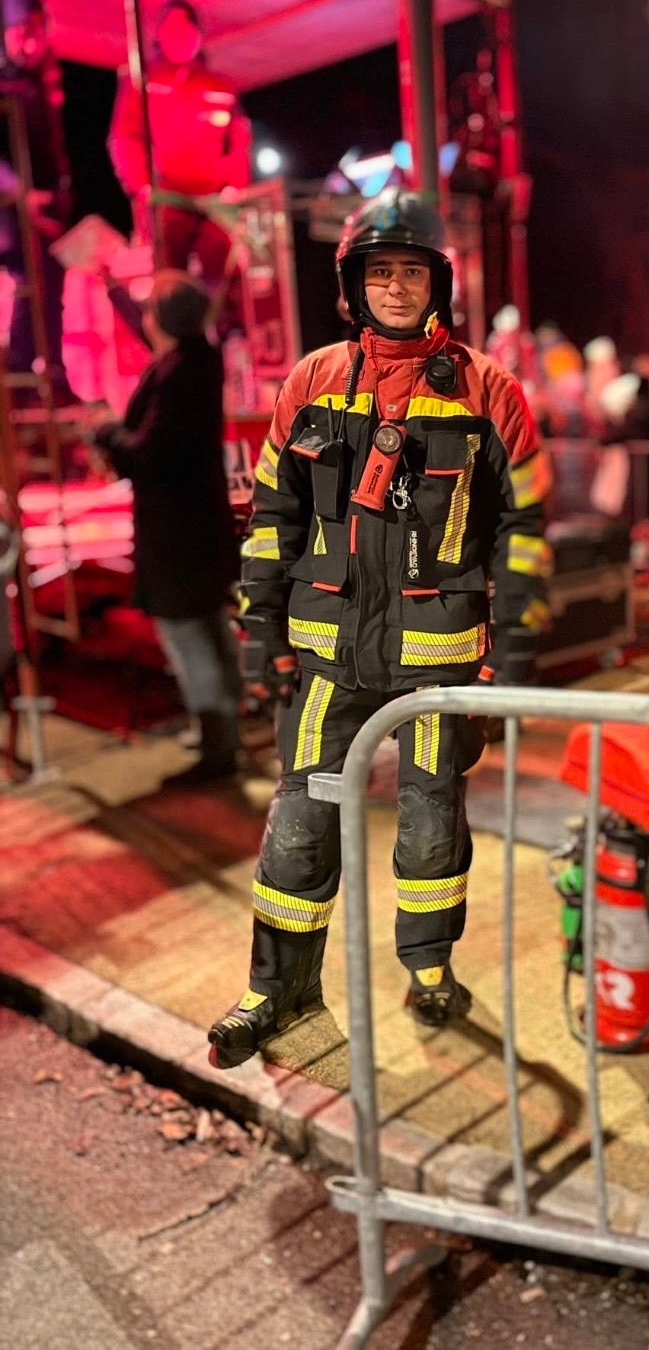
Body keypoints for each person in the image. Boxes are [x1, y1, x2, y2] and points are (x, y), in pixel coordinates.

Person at [208, 188, 550, 1067]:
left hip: (439, 666)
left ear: (440, 281)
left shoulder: (489, 390)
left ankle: (429, 969)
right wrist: (261, 634)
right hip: (326, 658)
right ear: (353, 283)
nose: (395, 287)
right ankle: (275, 987)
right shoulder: (312, 382)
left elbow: (526, 533)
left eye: (410, 271)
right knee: (298, 822)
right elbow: (271, 518)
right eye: (379, 271)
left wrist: (509, 652)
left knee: (432, 820)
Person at [91, 271, 240, 781]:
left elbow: (151, 452)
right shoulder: (198, 358)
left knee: (187, 633)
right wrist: (110, 284)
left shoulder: (180, 371)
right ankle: (224, 732)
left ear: (164, 320)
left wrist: (107, 433)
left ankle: (218, 745)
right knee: (209, 626)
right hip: (197, 523)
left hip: (178, 529)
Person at [107, 0, 252, 294]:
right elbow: (124, 136)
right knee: (171, 284)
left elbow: (239, 139)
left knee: (225, 280)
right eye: (171, 30)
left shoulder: (221, 86)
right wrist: (140, 185)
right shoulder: (140, 82)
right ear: (159, 36)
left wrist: (236, 184)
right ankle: (179, 339)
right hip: (166, 202)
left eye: (186, 29)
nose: (180, 37)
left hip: (215, 203)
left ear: (199, 34)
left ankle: (230, 334)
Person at [0, 0, 77, 404]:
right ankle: (21, 377)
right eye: (20, 31)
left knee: (53, 290)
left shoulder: (46, 82)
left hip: (48, 205)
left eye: (36, 30)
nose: (30, 41)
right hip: (11, 210)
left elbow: (55, 148)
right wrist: (19, 193)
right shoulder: (4, 83)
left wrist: (60, 193)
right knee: (29, 288)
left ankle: (54, 371)